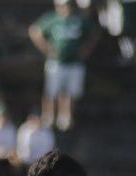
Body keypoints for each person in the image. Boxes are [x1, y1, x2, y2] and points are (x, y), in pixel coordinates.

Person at [30, 0, 98, 131]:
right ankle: (49, 116)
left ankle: (65, 117)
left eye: (67, 5)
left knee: (70, 92)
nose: (64, 8)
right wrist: (46, 48)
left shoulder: (78, 20)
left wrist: (87, 49)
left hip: (74, 62)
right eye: (61, 5)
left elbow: (94, 32)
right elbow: (34, 31)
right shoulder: (52, 19)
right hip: (56, 62)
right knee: (51, 91)